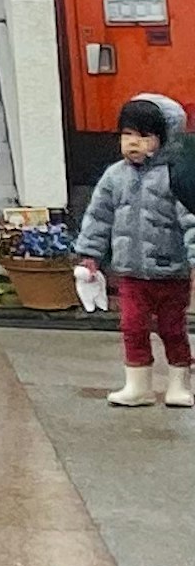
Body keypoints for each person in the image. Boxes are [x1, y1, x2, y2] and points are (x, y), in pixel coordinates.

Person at [76, 91, 195, 409]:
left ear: (166, 138)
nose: (132, 142)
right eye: (127, 134)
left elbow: (191, 221)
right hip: (130, 272)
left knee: (173, 328)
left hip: (171, 272)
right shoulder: (114, 177)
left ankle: (178, 384)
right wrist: (90, 256)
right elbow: (98, 217)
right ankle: (137, 385)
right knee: (132, 327)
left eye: (143, 136)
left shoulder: (176, 177)